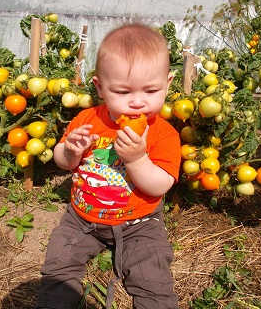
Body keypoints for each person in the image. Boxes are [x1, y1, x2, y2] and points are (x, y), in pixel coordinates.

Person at [36, 22, 181, 309]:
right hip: (81, 219)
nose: (137, 102)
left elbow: (160, 184)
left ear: (168, 84)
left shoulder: (164, 134)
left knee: (152, 278)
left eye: (151, 91)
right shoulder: (88, 120)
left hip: (139, 223)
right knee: (58, 266)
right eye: (123, 92)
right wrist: (71, 151)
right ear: (100, 88)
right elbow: (62, 161)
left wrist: (137, 159)